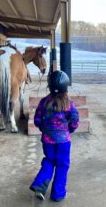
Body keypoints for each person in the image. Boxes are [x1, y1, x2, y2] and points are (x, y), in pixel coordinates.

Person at [30, 70, 79, 202]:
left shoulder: (44, 102)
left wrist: (44, 129)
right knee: (62, 165)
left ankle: (40, 185)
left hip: (47, 141)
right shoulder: (69, 104)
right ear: (66, 87)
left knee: (49, 161)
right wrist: (69, 130)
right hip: (64, 142)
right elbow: (74, 120)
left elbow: (37, 120)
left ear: (50, 86)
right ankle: (58, 194)